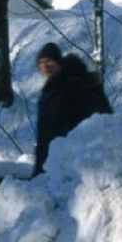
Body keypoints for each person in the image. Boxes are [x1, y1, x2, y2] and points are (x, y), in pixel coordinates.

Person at [33, 41, 113, 175]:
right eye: (41, 62)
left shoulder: (75, 87)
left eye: (50, 61)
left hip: (74, 161)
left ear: (59, 62)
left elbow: (93, 120)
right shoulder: (49, 91)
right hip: (51, 158)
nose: (46, 65)